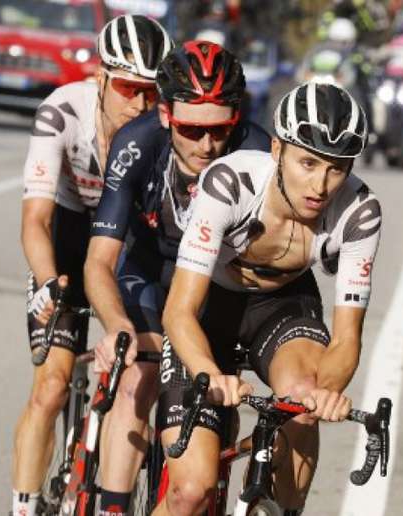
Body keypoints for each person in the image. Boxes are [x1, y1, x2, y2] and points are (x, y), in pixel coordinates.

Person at [152, 82, 380, 516]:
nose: (320, 184)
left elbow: (348, 338)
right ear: (277, 150)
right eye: (308, 163)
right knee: (191, 492)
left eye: (337, 168)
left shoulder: (359, 213)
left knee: (303, 402)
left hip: (281, 305)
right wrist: (208, 374)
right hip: (208, 306)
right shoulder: (230, 182)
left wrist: (325, 393)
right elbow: (179, 311)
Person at [84, 40, 271, 514]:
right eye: (191, 129)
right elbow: (100, 261)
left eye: (220, 130)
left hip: (216, 282)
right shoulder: (136, 144)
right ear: (165, 114)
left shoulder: (257, 151)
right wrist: (117, 327)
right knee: (136, 377)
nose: (208, 146)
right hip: (148, 271)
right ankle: (113, 505)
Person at [13, 14, 172, 516]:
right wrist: (46, 285)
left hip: (124, 243)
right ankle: (23, 503)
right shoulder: (62, 111)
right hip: (67, 231)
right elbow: (36, 221)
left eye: (152, 92)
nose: (141, 104)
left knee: (136, 369)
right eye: (128, 87)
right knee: (53, 384)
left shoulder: (163, 127)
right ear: (101, 76)